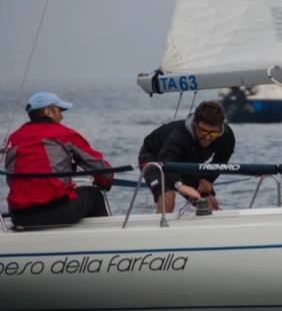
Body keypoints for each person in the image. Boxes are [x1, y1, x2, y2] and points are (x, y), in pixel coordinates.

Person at [4, 92, 113, 229]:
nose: (62, 116)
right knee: (94, 195)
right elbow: (103, 171)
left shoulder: (13, 138)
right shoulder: (64, 134)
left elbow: (12, 176)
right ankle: (103, 239)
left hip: (19, 216)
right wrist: (104, 182)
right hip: (55, 211)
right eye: (59, 110)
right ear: (48, 111)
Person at [139, 100, 235, 213]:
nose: (207, 137)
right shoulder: (179, 135)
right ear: (195, 124)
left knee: (210, 203)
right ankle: (160, 222)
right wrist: (179, 185)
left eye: (213, 133)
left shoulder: (226, 136)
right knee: (168, 199)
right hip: (155, 158)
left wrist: (208, 179)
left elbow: (222, 159)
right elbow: (166, 161)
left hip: (184, 162)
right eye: (203, 131)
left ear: (220, 127)